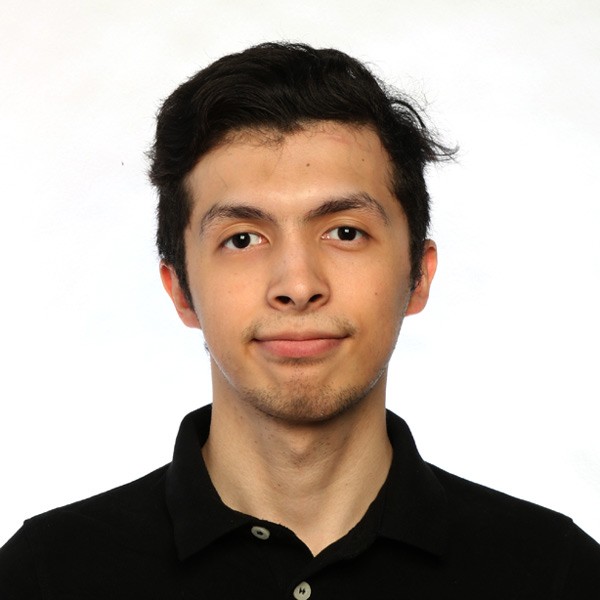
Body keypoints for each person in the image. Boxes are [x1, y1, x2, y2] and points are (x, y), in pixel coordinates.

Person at [1, 42, 599, 599]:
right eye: (242, 238)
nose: (297, 285)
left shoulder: (558, 575)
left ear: (418, 275)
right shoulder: (44, 577)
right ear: (180, 289)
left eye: (345, 232)